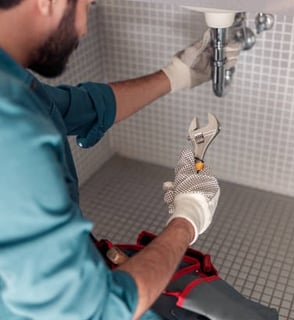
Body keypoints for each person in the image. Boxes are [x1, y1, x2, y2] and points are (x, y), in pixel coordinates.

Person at [0, 0, 239, 319]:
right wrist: (188, 218)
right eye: (88, 4)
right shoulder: (11, 127)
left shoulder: (12, 85)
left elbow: (77, 107)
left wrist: (176, 75)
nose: (84, 27)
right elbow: (98, 309)